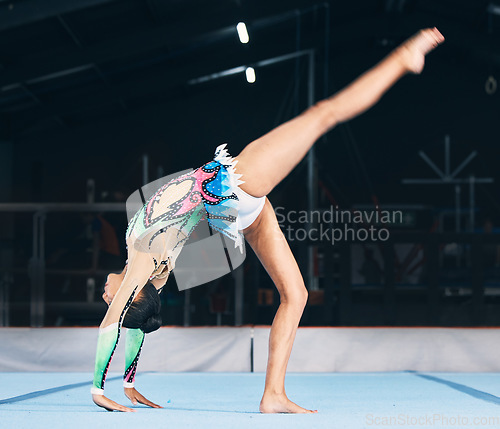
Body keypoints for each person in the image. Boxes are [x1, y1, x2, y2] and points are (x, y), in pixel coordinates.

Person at [92, 28, 445, 413]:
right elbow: (115, 323)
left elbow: (134, 328)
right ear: (129, 296)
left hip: (240, 212)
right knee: (323, 114)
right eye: (113, 300)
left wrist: (128, 383)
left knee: (297, 294)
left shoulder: (151, 273)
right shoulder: (142, 263)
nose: (104, 295)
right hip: (239, 180)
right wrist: (99, 389)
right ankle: (403, 58)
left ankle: (273, 394)